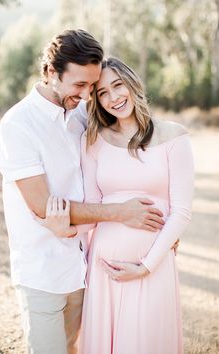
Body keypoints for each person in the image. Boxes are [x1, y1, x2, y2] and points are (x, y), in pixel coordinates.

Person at [0, 31, 165, 354]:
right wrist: (120, 212)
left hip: (85, 266)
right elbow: (44, 206)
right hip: (41, 271)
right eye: (78, 85)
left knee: (76, 348)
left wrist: (165, 219)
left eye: (92, 86)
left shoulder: (83, 115)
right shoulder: (18, 125)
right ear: (50, 73)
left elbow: (131, 157)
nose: (87, 95)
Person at [41, 57, 194, 354]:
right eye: (102, 93)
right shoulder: (94, 140)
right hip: (104, 270)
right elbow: (93, 207)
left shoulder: (174, 136)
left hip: (153, 267)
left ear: (132, 83)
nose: (113, 98)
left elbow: (182, 212)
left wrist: (146, 266)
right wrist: (67, 229)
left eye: (118, 85)